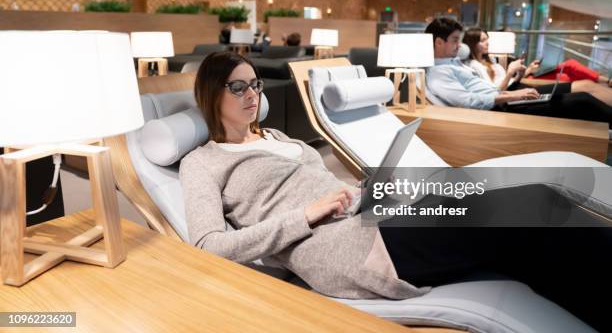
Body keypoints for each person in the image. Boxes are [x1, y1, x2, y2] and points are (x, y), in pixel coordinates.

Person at [180, 51, 611, 330]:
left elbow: (319, 184)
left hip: (372, 216)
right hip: (348, 249)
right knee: (532, 204)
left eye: (254, 84)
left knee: (529, 205)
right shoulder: (203, 162)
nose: (251, 94)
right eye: (237, 87)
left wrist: (362, 189)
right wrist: (307, 214)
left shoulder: (278, 138)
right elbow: (207, 245)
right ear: (209, 93)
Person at [424, 18, 612, 126]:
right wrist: (511, 96)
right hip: (500, 110)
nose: (460, 45)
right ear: (439, 42)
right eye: (455, 40)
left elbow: (483, 90)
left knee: (582, 92)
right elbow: (468, 101)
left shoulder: (455, 63)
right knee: (583, 100)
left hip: (505, 99)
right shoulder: (438, 73)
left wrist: (511, 92)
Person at [462, 27, 612, 95]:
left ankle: (606, 83)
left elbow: (511, 81)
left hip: (517, 85)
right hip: (513, 93)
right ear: (472, 44)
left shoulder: (491, 62)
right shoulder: (474, 66)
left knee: (579, 81)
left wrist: (520, 73)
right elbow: (495, 93)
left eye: (488, 39)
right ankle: (608, 82)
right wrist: (510, 73)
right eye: (483, 41)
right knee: (580, 82)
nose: (488, 43)